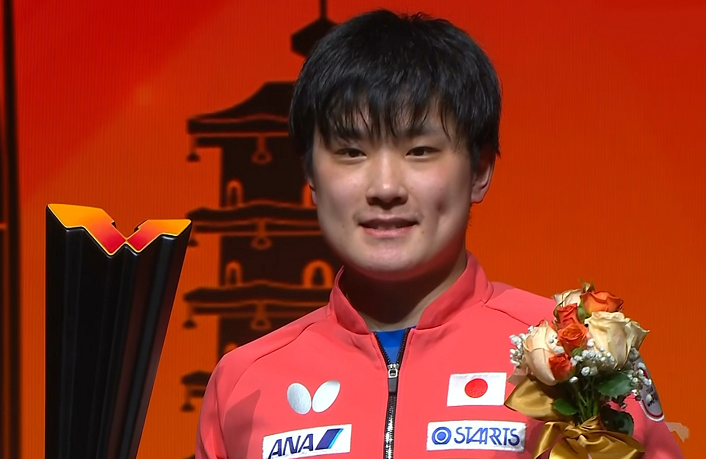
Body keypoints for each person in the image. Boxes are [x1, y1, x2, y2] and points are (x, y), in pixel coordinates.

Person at [195, 9, 683, 459]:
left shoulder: (579, 357)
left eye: (420, 151)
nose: (385, 187)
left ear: (479, 172)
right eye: (351, 152)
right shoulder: (243, 381)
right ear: (311, 177)